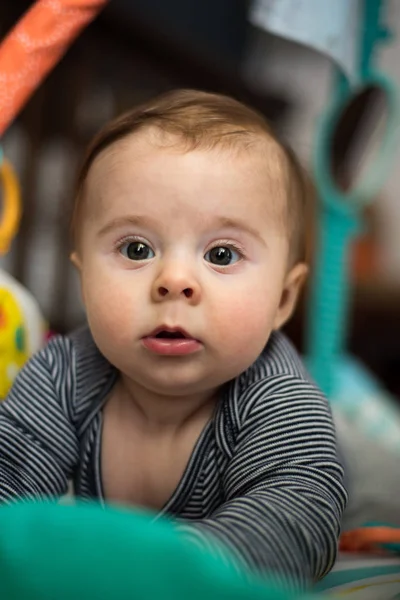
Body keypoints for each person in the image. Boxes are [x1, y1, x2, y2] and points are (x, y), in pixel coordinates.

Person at [0, 89, 347, 588]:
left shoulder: (277, 402)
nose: (174, 279)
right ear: (84, 280)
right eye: (137, 247)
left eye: (222, 254)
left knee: (356, 466)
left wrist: (173, 567)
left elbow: (296, 517)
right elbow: (10, 472)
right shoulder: (64, 373)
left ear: (283, 300)